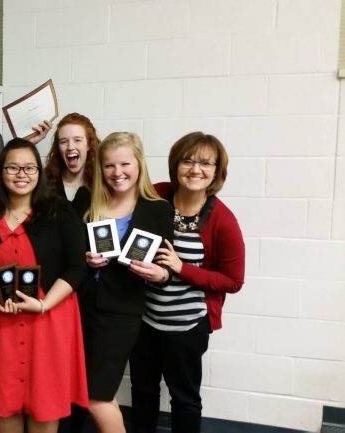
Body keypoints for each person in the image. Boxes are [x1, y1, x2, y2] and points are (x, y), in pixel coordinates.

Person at [0, 138, 88, 433]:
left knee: (44, 406)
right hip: (2, 325)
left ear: (39, 172)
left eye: (29, 168)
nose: (21, 174)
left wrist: (44, 304)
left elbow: (77, 268)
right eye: (12, 167)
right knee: (5, 405)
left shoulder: (60, 212)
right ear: (1, 172)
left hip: (48, 322)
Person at [129, 132, 245, 433]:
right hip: (145, 321)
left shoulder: (223, 220)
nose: (196, 169)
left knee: (184, 400)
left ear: (217, 171)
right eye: (188, 161)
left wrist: (182, 268)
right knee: (142, 393)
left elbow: (233, 281)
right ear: (175, 165)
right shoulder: (156, 195)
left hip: (188, 327)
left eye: (206, 163)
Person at [81, 132, 173, 433]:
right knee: (79, 390)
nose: (117, 172)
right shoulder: (86, 200)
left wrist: (161, 274)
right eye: (109, 165)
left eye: (124, 164)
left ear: (139, 164)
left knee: (97, 395)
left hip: (120, 313)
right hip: (78, 308)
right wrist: (85, 258)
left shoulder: (157, 209)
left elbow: (165, 267)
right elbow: (69, 252)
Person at [44, 112, 100, 217]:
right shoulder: (45, 183)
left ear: (89, 144)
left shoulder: (101, 185)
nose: (70, 147)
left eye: (77, 140)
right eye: (63, 141)